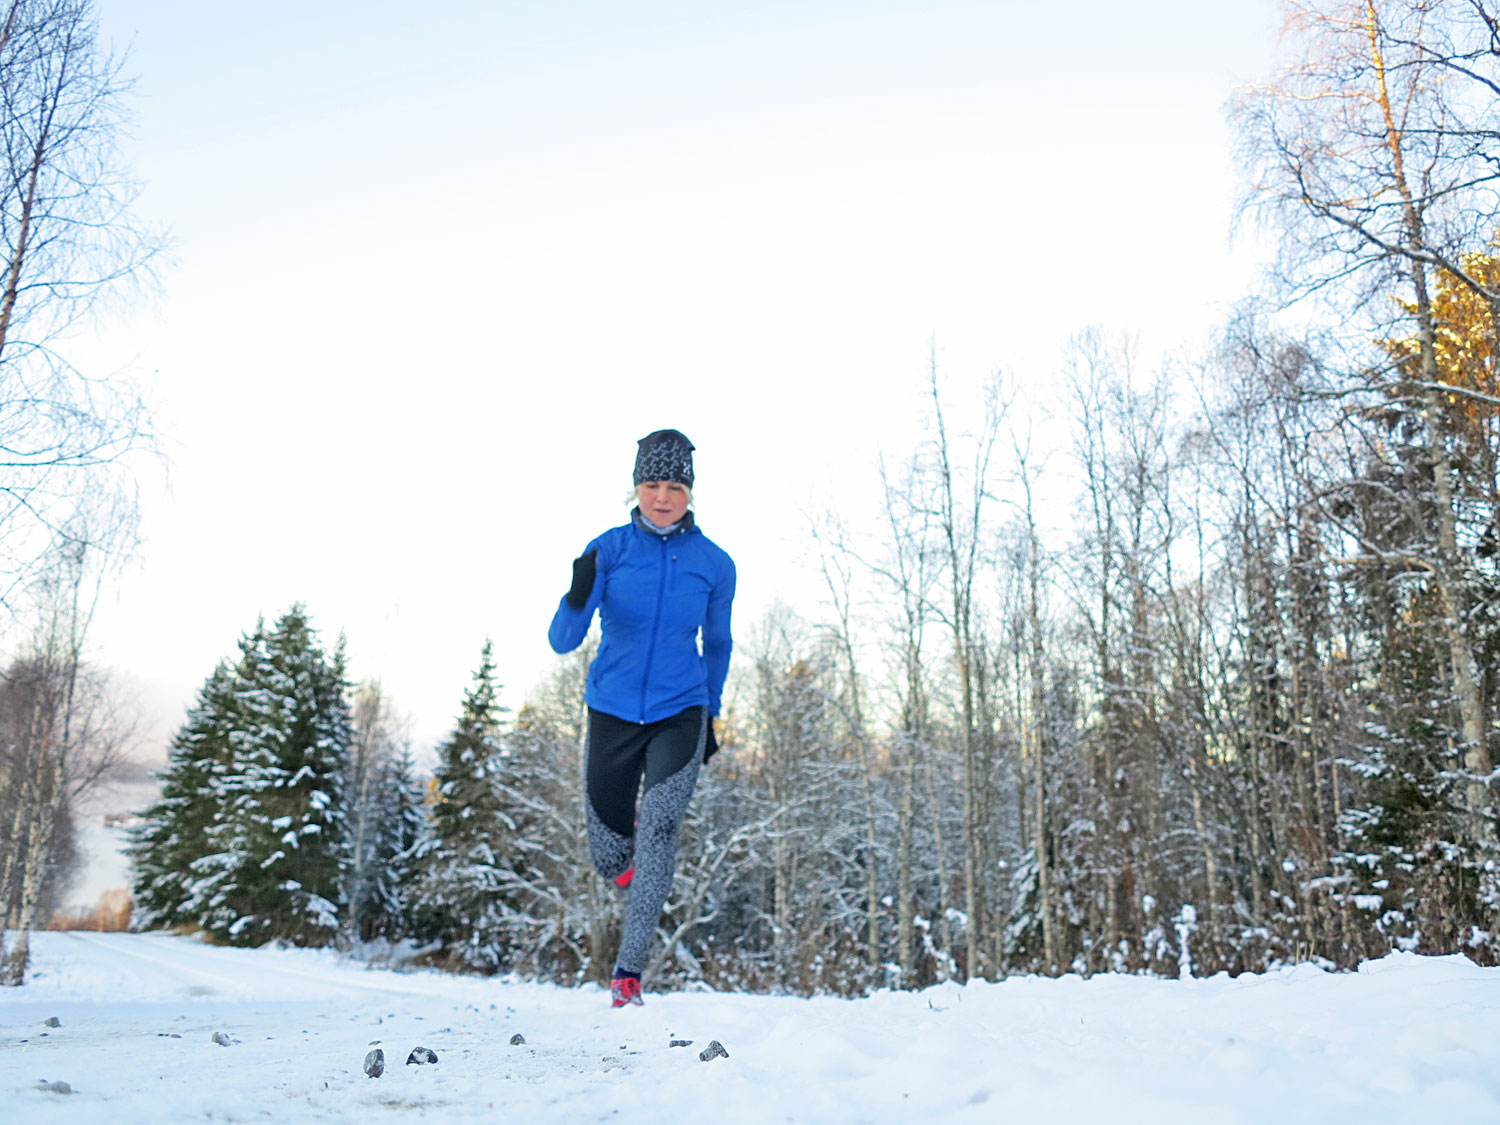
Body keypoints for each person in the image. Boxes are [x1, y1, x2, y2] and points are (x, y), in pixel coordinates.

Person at [548, 428, 736, 1008]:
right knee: (610, 853)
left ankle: (629, 974)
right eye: (653, 483)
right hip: (611, 709)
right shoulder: (608, 549)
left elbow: (719, 644)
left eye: (675, 484)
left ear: (690, 492)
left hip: (680, 711)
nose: (663, 495)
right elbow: (563, 641)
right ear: (636, 485)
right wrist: (579, 591)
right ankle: (632, 874)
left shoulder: (715, 564)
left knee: (658, 827)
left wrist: (710, 715)